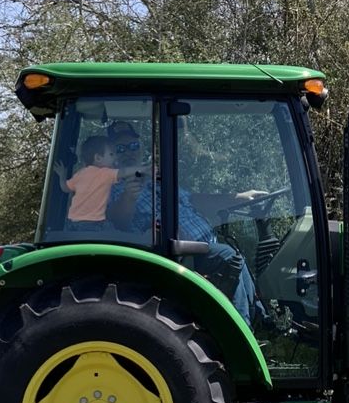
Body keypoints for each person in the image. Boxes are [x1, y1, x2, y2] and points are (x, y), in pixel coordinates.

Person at [105, 123, 266, 326]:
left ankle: (262, 318)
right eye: (120, 149)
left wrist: (241, 197)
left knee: (235, 256)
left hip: (203, 247)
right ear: (112, 155)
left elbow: (194, 200)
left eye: (133, 145)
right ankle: (243, 331)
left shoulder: (156, 180)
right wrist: (129, 196)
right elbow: (119, 219)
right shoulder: (113, 189)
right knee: (229, 256)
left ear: (141, 147)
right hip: (175, 255)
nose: (128, 152)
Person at [54, 136, 118, 234]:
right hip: (91, 224)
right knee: (114, 235)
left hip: (73, 223)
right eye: (112, 154)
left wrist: (62, 176)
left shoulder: (80, 174)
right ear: (98, 158)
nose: (115, 157)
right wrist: (142, 170)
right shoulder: (106, 174)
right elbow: (124, 172)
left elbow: (65, 188)